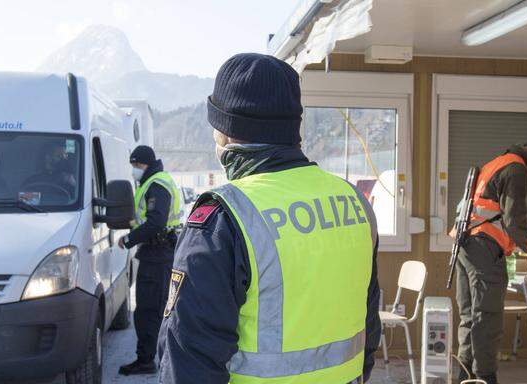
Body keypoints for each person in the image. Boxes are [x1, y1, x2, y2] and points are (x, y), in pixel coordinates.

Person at [158, 53, 381, 384]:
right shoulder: (354, 202)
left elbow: (189, 360)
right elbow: (369, 325)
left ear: (224, 130)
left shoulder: (223, 217)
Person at [454, 132, 527, 384]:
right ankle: (485, 377)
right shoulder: (517, 170)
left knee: (470, 315)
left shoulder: (498, 162)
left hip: (464, 245)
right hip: (484, 248)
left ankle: (463, 374)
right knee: (487, 316)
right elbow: (514, 221)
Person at [118, 145, 184, 376]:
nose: (134, 170)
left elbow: (156, 222)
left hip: (157, 254)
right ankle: (151, 358)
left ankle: (148, 361)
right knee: (152, 310)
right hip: (157, 253)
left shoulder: (156, 185)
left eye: (136, 165)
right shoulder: (154, 182)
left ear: (145, 164)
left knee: (149, 310)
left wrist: (128, 239)